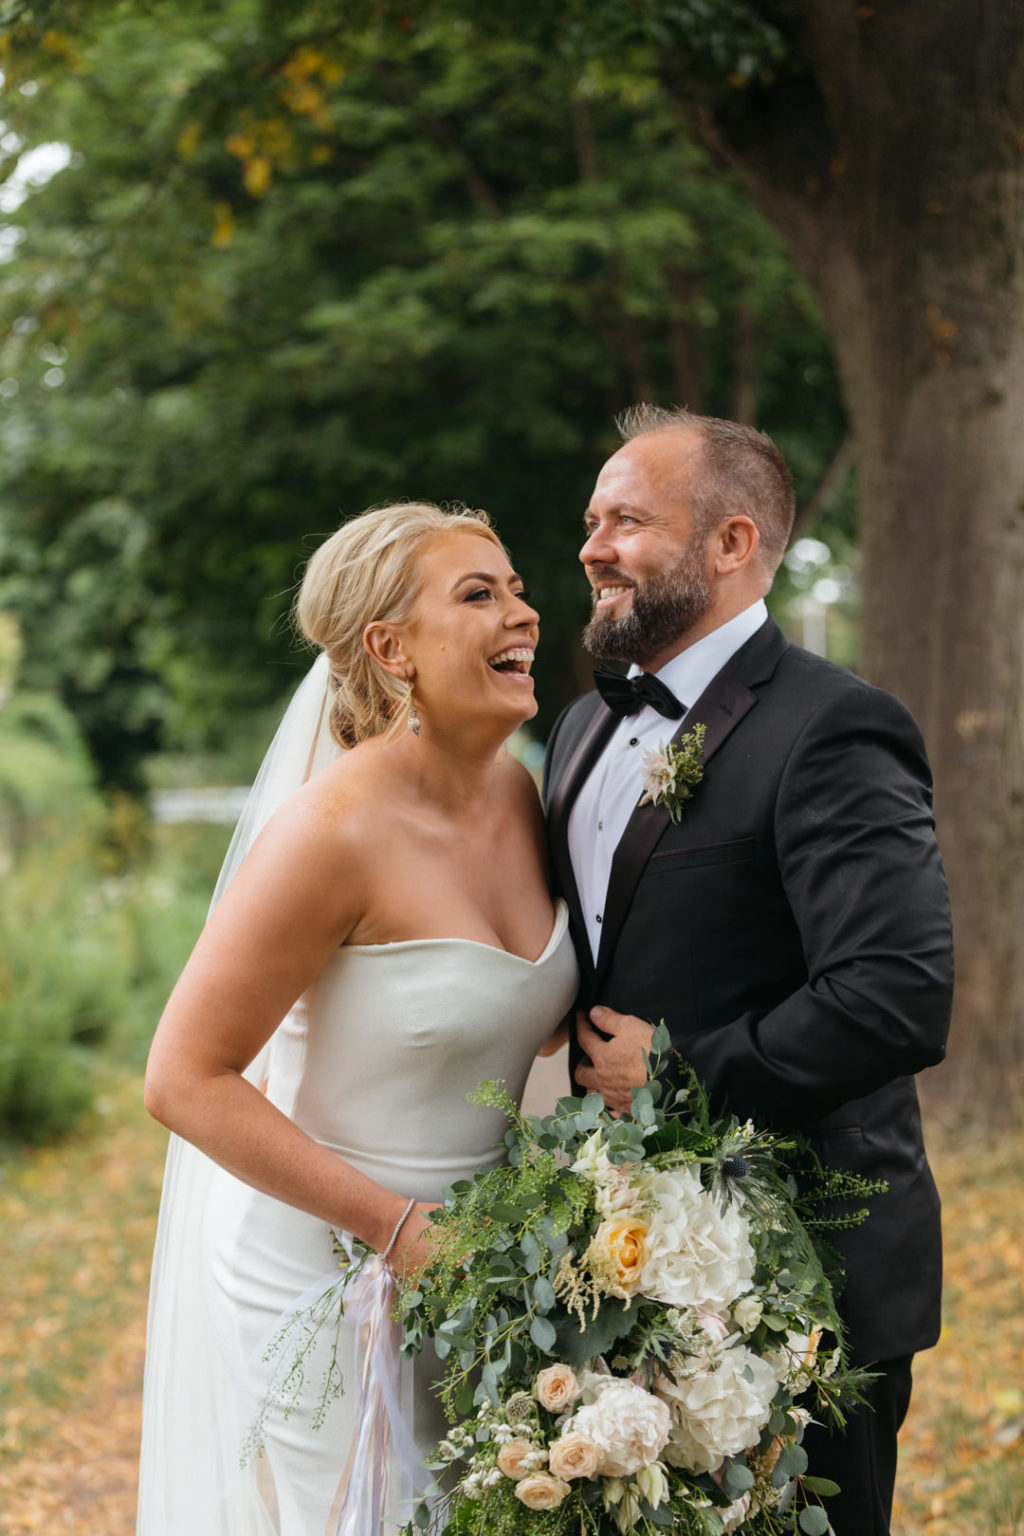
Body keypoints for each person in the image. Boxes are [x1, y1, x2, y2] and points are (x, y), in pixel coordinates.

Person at [542, 406, 954, 1536]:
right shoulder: (578, 730)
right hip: (609, 1271)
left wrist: (674, 1075)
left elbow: (894, 995)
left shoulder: (836, 728)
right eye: (591, 519)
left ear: (730, 545)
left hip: (805, 1270)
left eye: (627, 519)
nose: (591, 545)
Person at [137, 502, 578, 1536]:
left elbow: (505, 1015)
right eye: (478, 595)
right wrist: (394, 1227)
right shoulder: (331, 834)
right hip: (327, 1276)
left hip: (490, 1263)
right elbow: (182, 1078)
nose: (522, 614)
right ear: (392, 650)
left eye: (515, 587)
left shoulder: (520, 797)